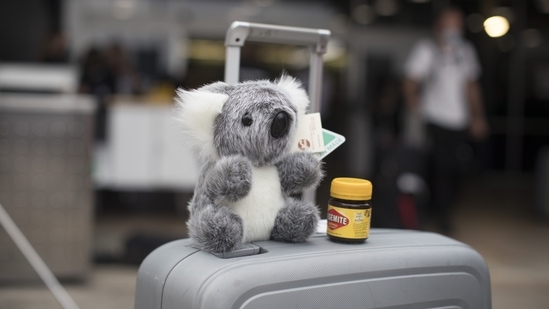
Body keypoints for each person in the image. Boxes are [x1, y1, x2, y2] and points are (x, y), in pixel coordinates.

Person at [403, 7, 488, 233]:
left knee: (458, 168)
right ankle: (439, 216)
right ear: (439, 26)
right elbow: (411, 80)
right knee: (440, 167)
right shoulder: (427, 49)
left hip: (459, 121)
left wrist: (477, 117)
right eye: (450, 23)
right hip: (435, 118)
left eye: (458, 24)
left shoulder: (466, 51)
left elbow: (471, 86)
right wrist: (415, 104)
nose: (454, 28)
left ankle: (445, 210)